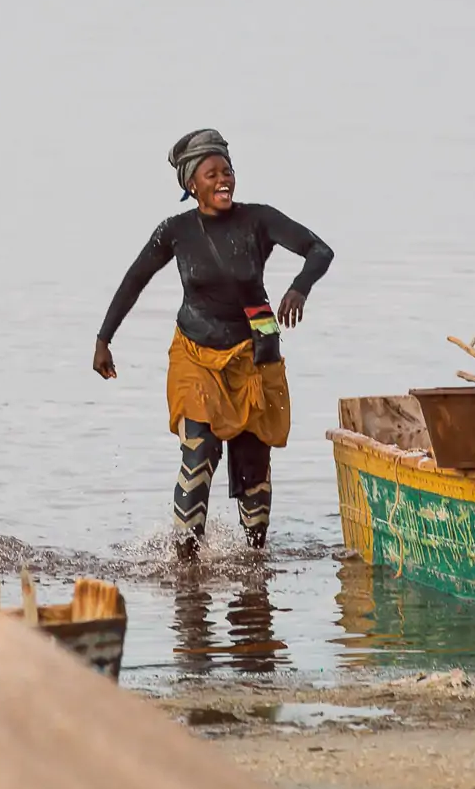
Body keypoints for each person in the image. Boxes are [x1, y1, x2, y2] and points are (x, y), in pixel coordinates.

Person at [94, 129, 334, 561]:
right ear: (192, 184)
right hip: (194, 354)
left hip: (254, 355)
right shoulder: (176, 231)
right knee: (199, 454)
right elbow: (135, 279)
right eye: (212, 174)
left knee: (254, 469)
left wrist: (300, 288)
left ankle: (255, 560)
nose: (223, 180)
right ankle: (186, 564)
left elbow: (320, 250)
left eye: (228, 171)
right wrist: (104, 338)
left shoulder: (258, 220)